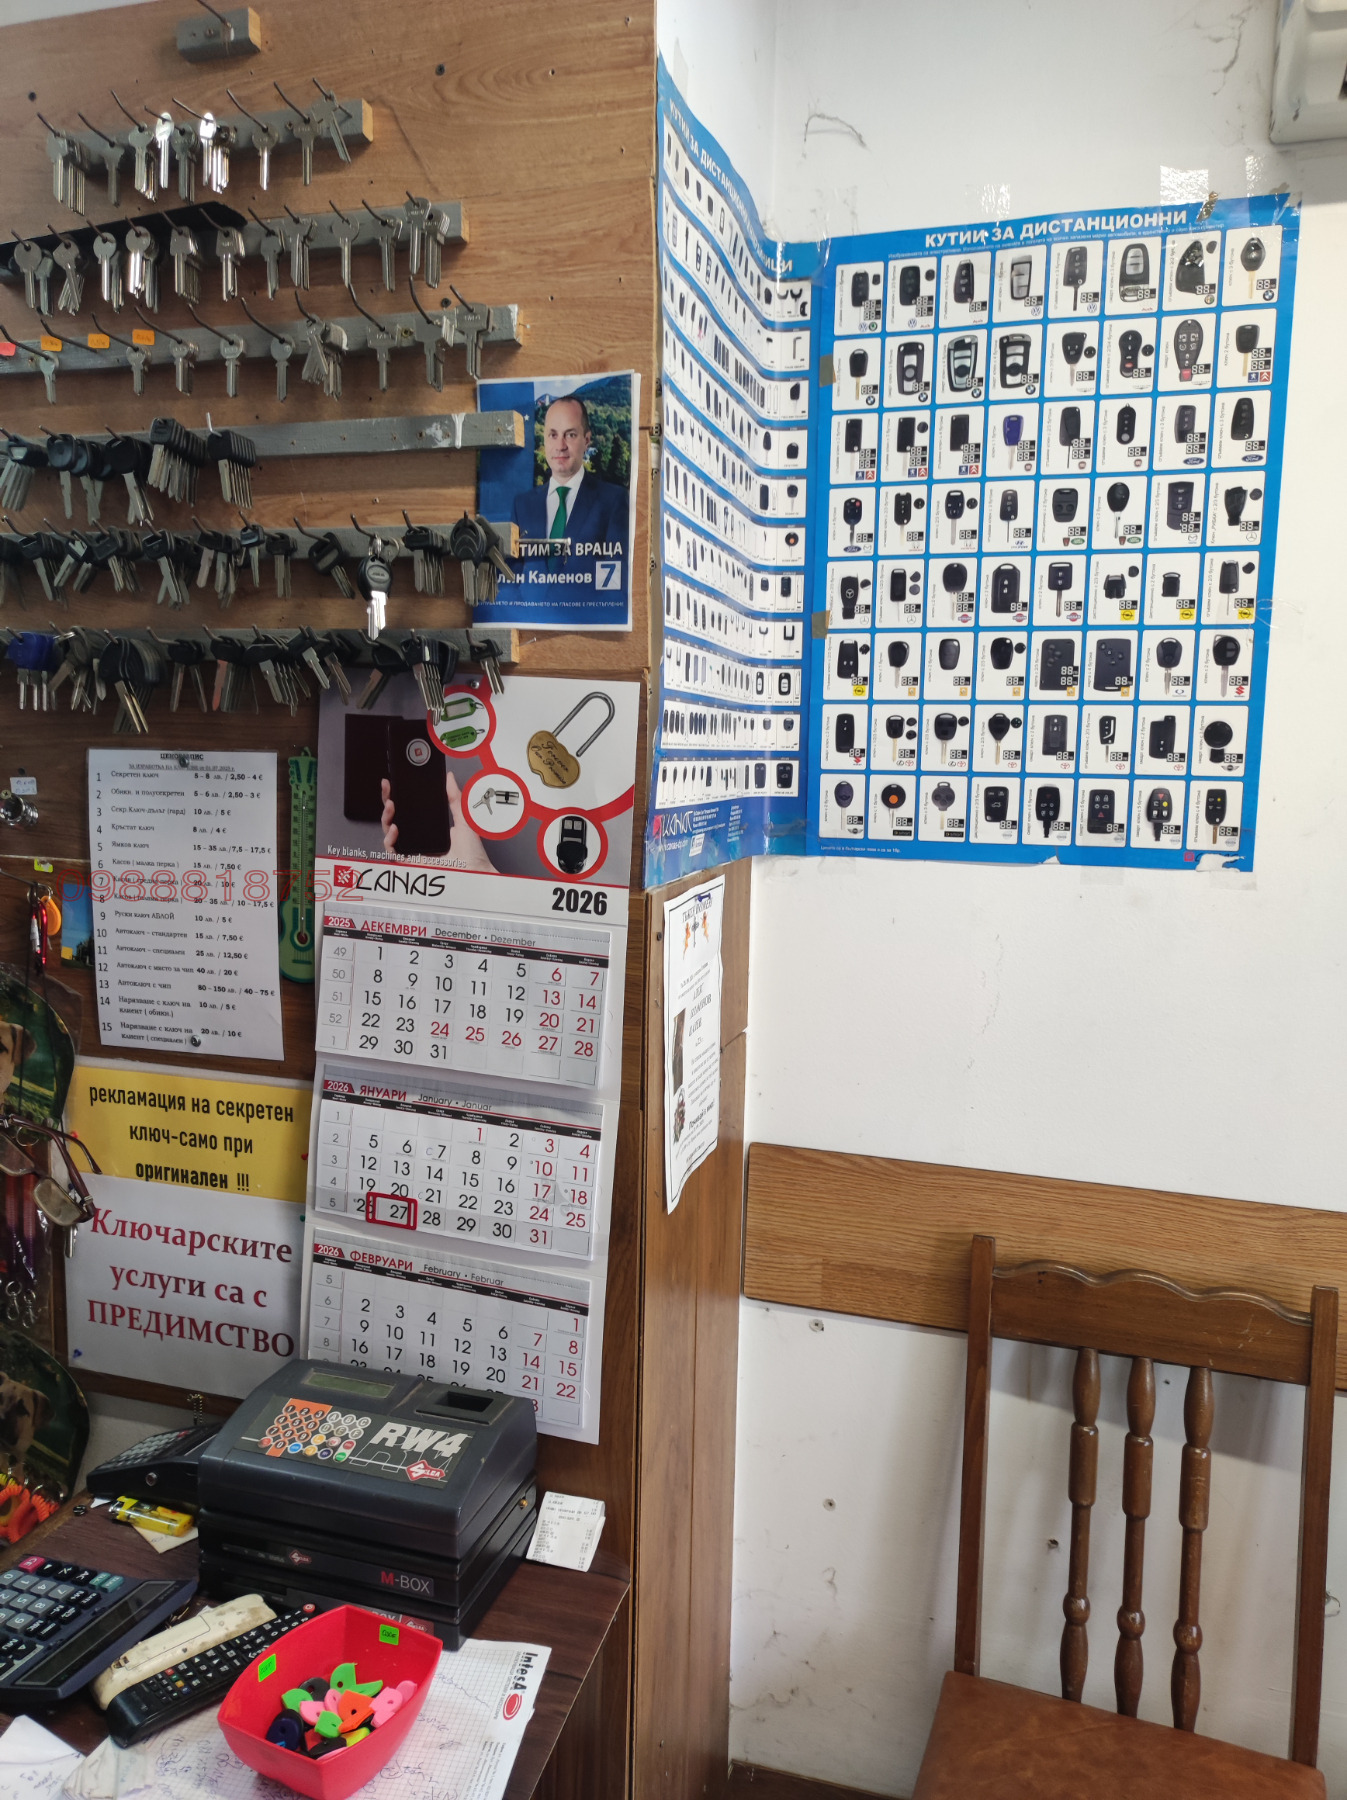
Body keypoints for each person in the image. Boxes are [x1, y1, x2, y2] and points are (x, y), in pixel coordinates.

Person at [512, 396, 628, 564]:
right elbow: (512, 575)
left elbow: (618, 573)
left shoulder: (613, 501)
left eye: (570, 435)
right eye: (553, 435)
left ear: (586, 440)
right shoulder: (522, 505)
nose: (560, 446)